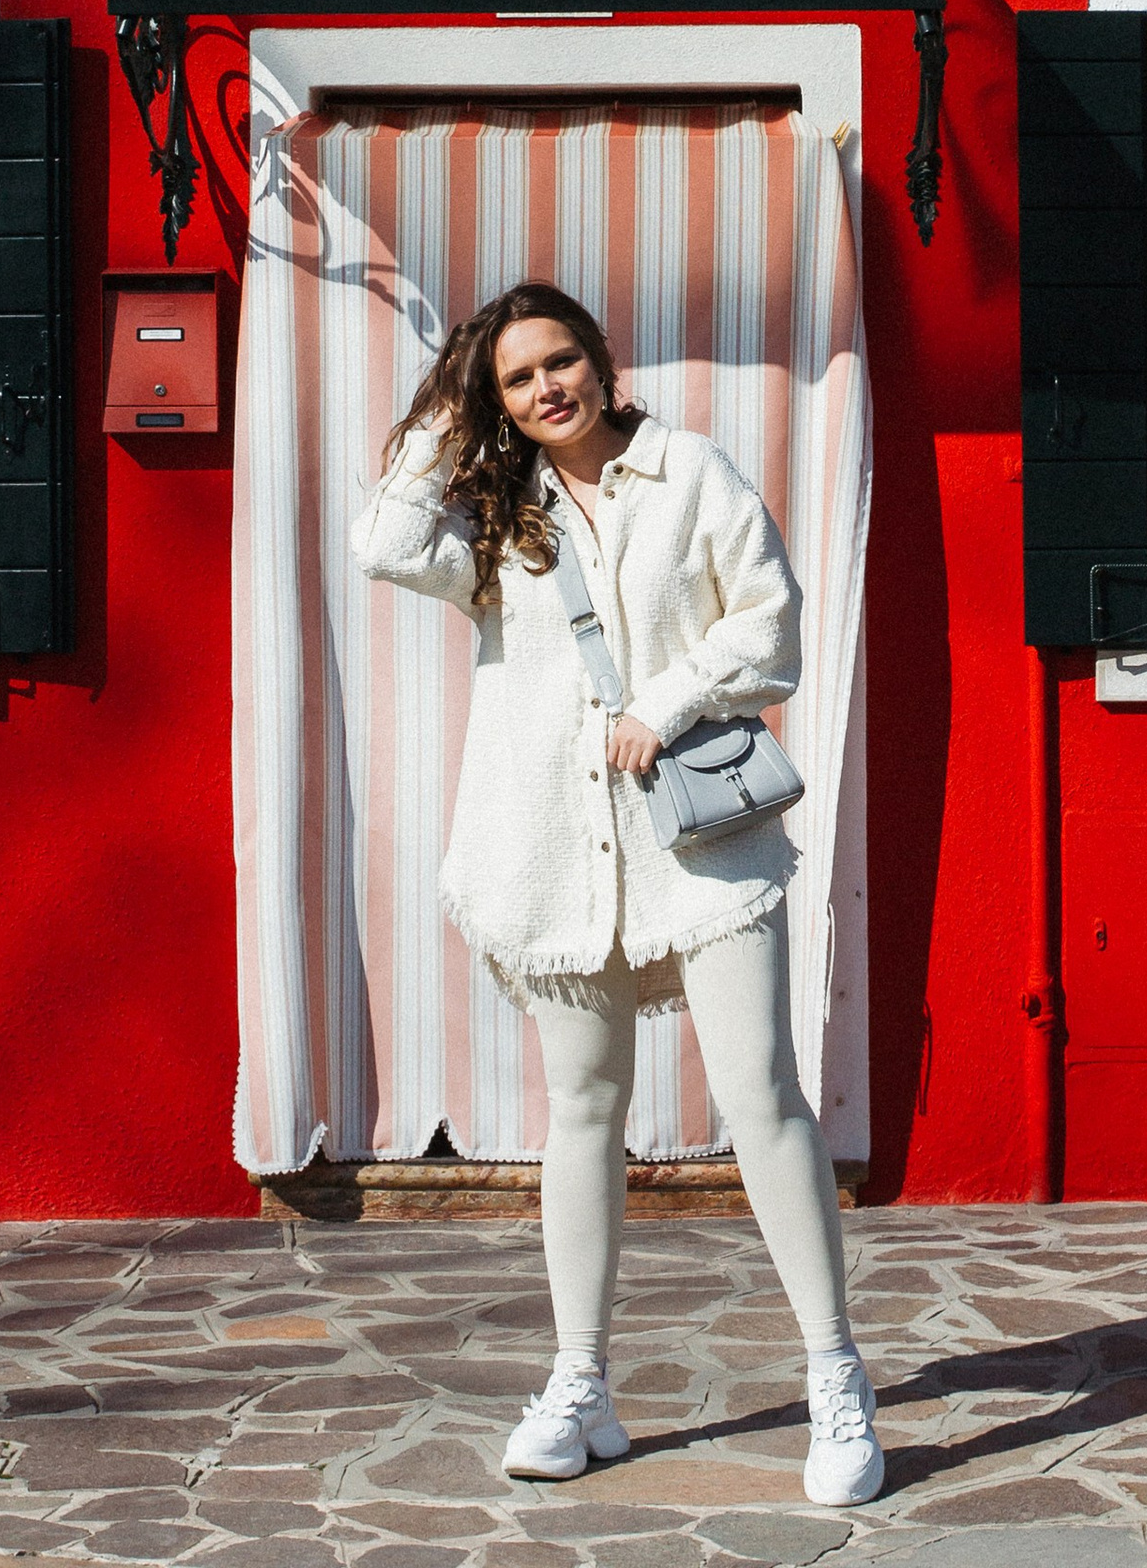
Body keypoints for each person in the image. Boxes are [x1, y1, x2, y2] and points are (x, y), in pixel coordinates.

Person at [351, 281, 883, 1507]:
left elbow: (772, 623)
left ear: (600, 357)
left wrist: (666, 702)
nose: (546, 388)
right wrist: (444, 403)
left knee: (760, 1090)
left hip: (699, 846)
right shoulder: (498, 514)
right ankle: (580, 1382)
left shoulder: (690, 470)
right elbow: (382, 542)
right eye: (516, 378)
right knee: (581, 1107)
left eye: (559, 361)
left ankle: (832, 1376)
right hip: (547, 842)